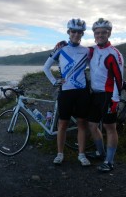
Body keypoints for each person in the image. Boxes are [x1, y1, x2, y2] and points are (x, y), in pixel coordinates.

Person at [54, 18, 124, 172]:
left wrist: (115, 100)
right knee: (92, 125)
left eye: (103, 33)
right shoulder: (91, 51)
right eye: (97, 33)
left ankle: (109, 161)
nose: (100, 35)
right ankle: (100, 152)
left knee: (110, 127)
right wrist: (62, 44)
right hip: (94, 94)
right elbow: (74, 51)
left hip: (109, 95)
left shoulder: (114, 54)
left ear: (109, 33)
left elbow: (119, 79)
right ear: (93, 34)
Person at [43, 18, 91, 166]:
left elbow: (95, 68)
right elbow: (46, 67)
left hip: (82, 92)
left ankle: (81, 155)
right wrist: (54, 81)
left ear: (82, 34)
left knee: (82, 123)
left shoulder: (87, 51)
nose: (76, 34)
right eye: (73, 31)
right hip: (66, 92)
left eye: (79, 32)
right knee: (62, 124)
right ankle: (60, 154)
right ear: (68, 32)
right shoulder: (60, 49)